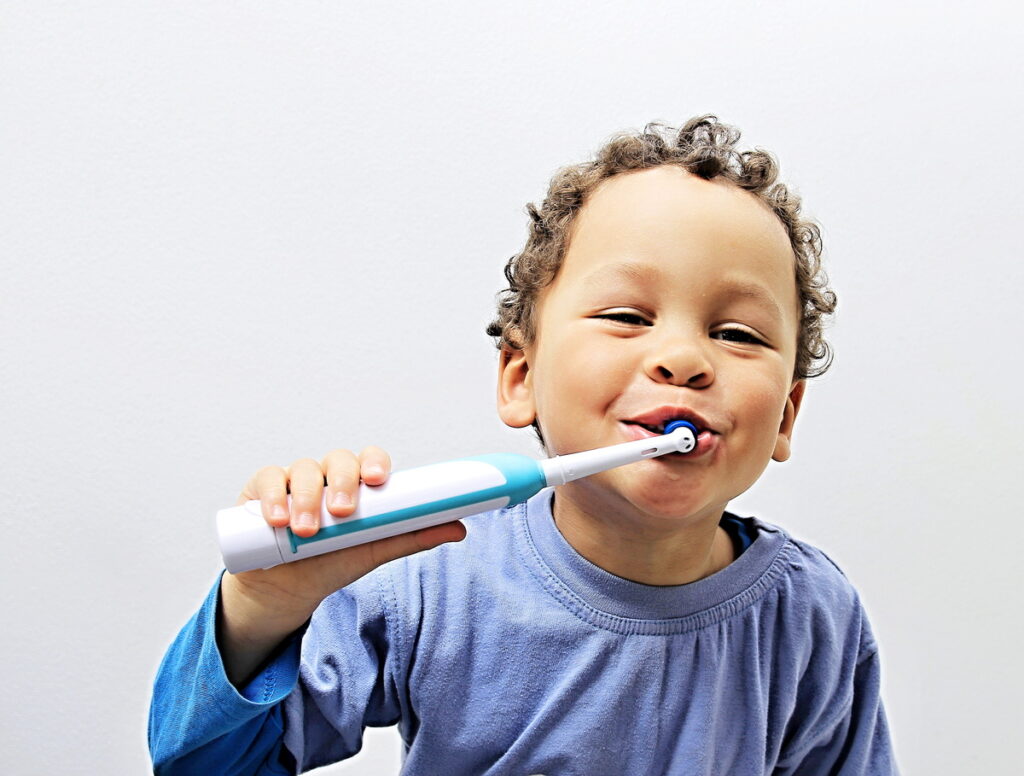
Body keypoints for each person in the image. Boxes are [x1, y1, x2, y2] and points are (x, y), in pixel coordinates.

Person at [149, 115, 899, 774]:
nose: (684, 358)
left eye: (736, 333)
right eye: (628, 315)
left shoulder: (813, 619)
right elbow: (204, 766)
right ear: (520, 376)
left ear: (787, 416)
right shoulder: (426, 578)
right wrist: (260, 609)